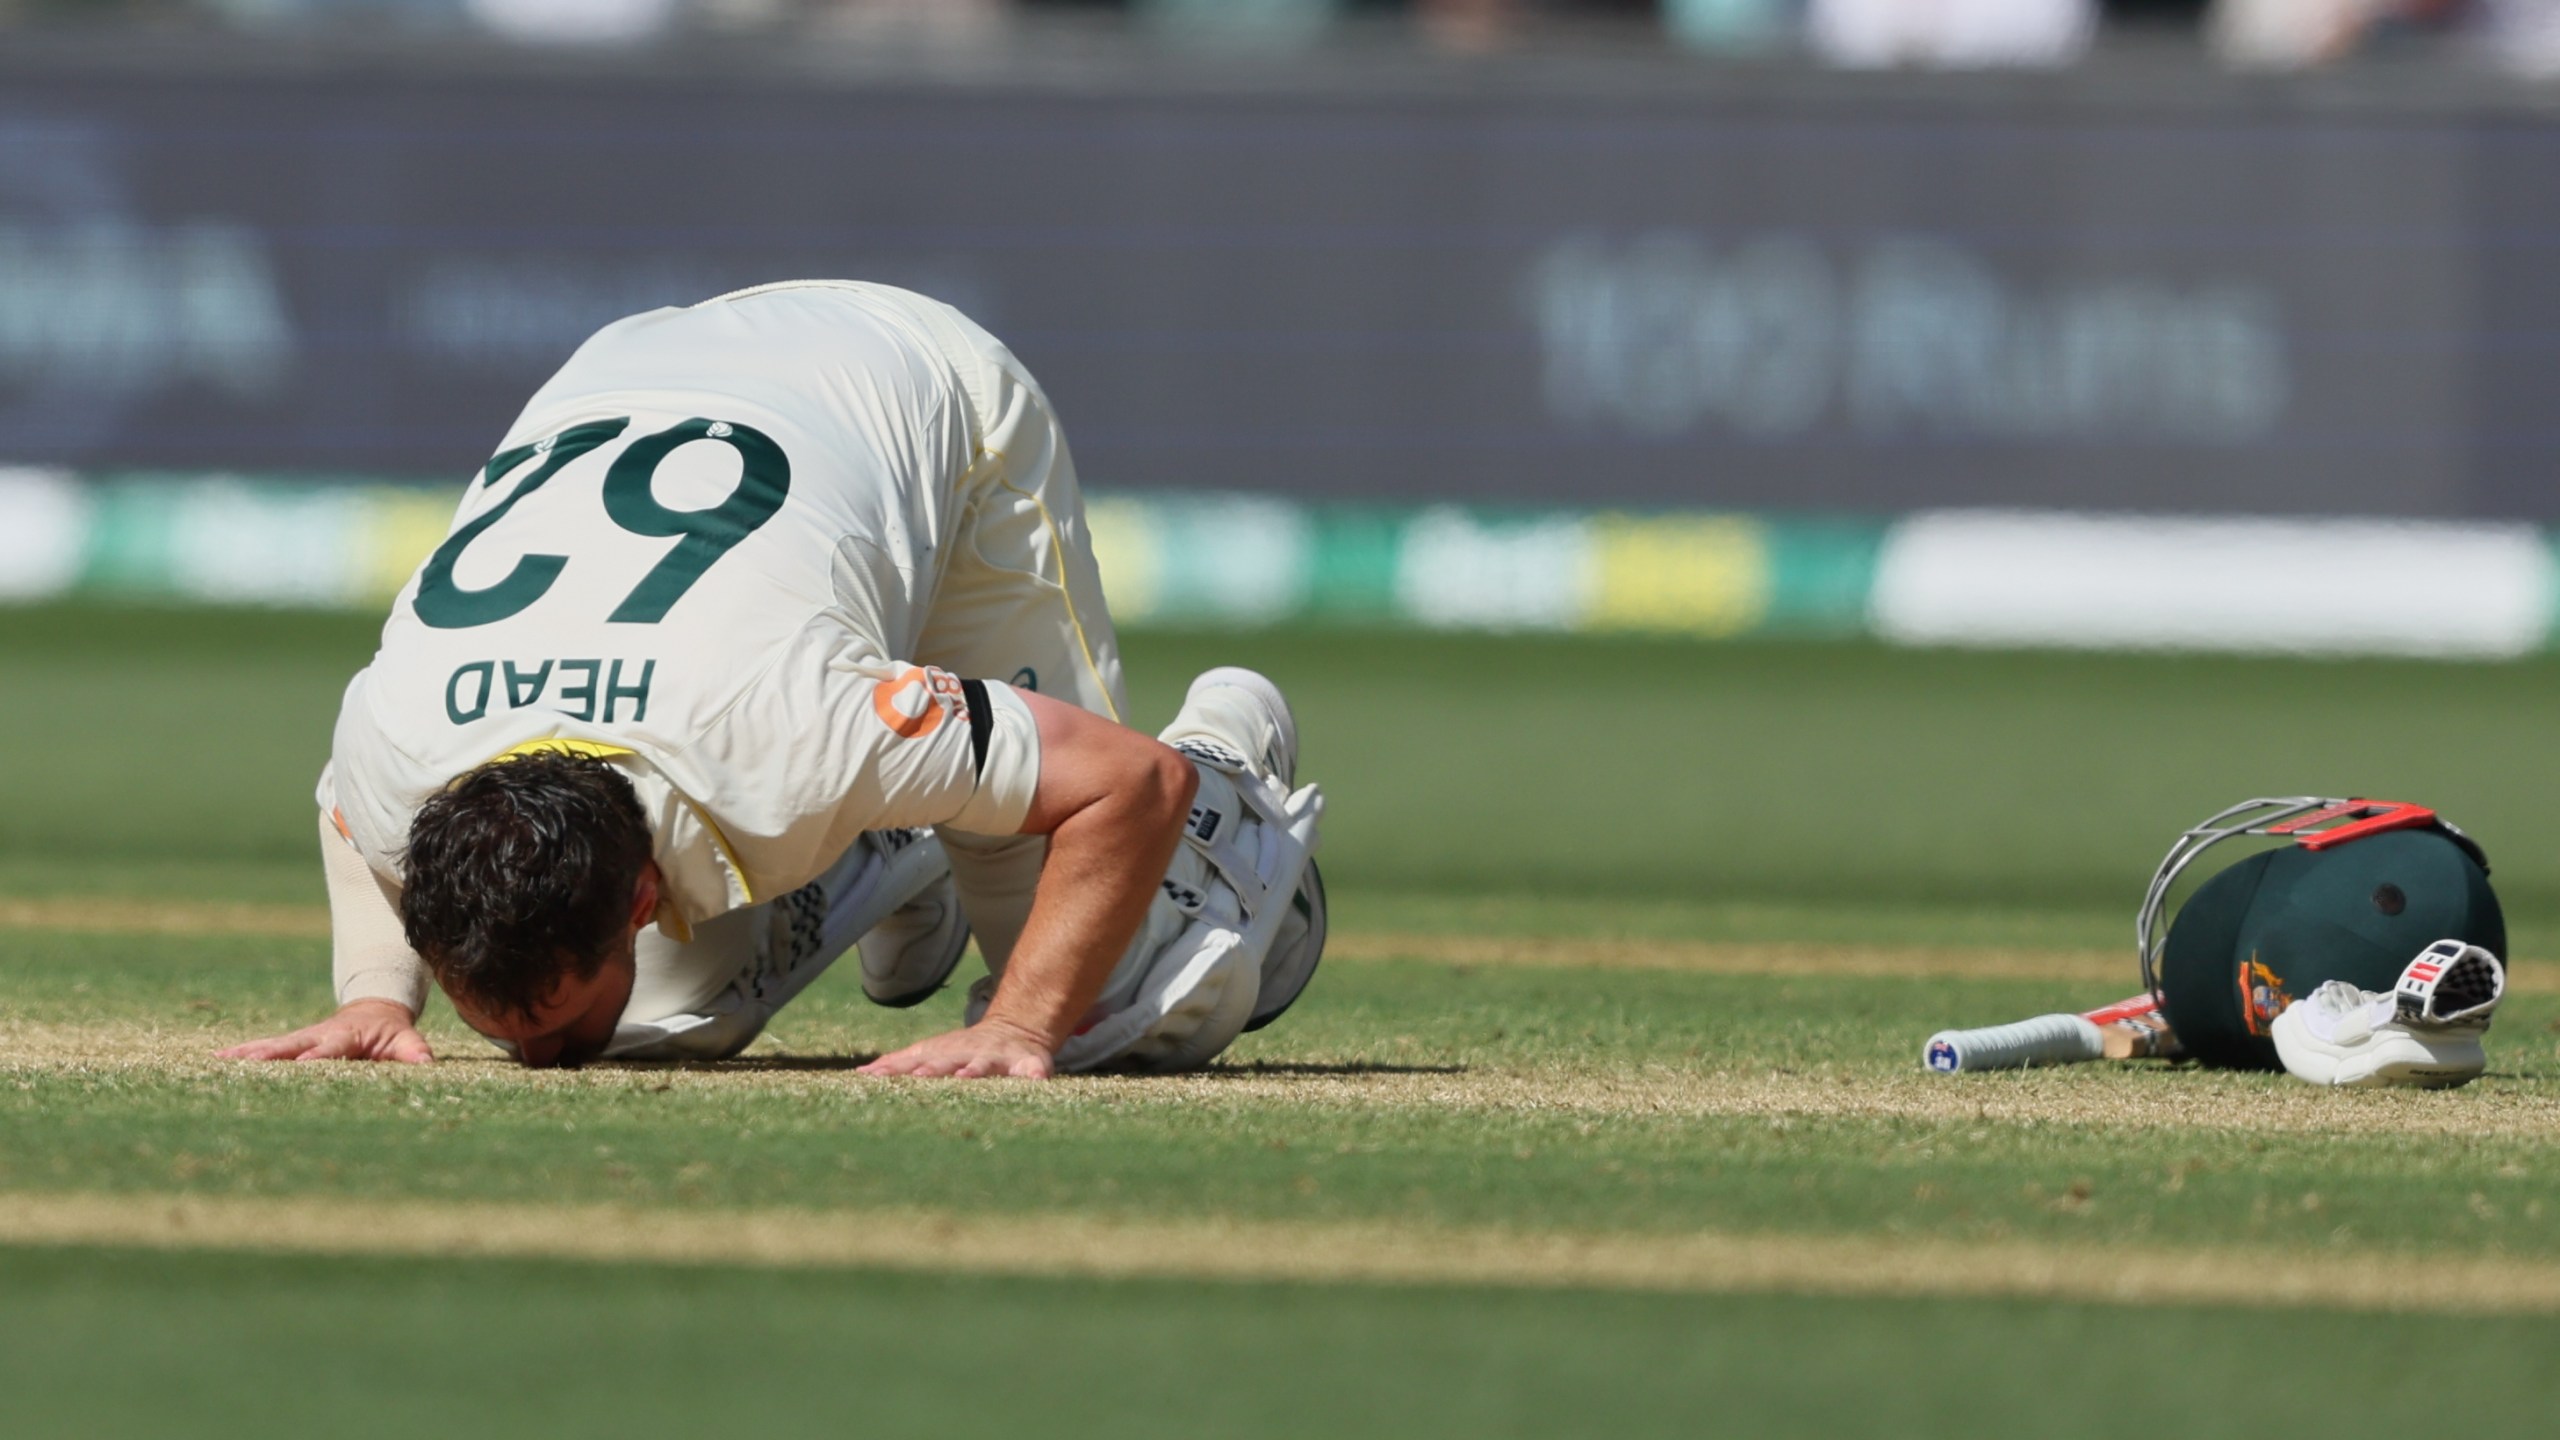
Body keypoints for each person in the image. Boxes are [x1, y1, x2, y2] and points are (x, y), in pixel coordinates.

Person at [222, 280, 1325, 1079]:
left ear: (640, 897)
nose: (536, 1061)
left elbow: (1125, 784)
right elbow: (350, 802)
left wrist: (1021, 1028)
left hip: (911, 380)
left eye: (543, 1028)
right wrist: (376, 997)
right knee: (658, 1023)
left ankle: (1228, 760)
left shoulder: (792, 733)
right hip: (637, 367)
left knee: (1119, 1008)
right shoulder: (402, 750)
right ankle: (904, 826)